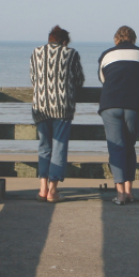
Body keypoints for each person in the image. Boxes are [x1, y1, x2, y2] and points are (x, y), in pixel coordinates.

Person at [98, 26, 139, 205]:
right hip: (135, 105)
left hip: (111, 103)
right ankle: (129, 191)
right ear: (134, 39)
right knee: (129, 146)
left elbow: (103, 79)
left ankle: (120, 194)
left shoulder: (107, 55)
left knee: (116, 147)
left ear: (116, 39)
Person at [30, 26, 85, 202]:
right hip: (62, 106)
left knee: (44, 147)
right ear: (63, 42)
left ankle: (42, 189)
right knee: (59, 147)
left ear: (49, 39)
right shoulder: (71, 53)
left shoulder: (37, 52)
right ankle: (53, 192)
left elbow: (33, 78)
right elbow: (79, 80)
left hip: (40, 106)